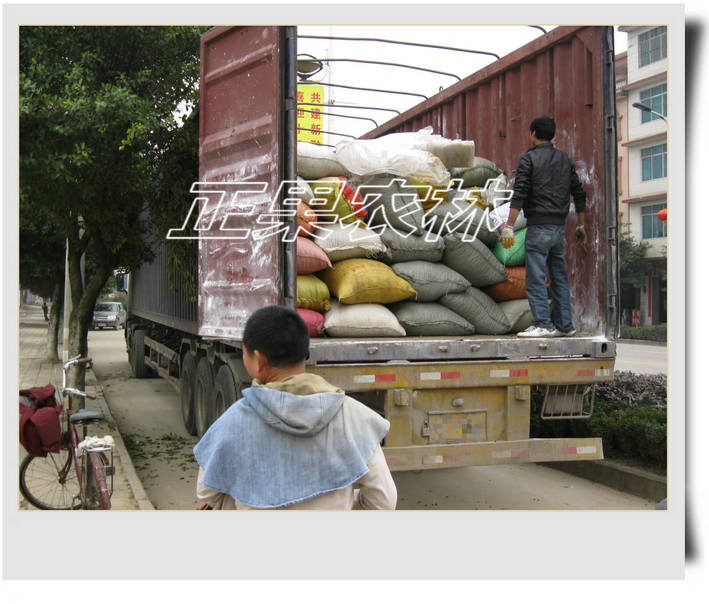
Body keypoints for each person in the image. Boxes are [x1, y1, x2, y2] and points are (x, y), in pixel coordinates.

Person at [193, 305, 397, 510]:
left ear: (259, 360)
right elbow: (384, 501)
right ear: (304, 353)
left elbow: (206, 492)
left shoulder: (234, 421)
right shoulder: (352, 416)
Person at [500, 116, 587, 338]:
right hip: (558, 229)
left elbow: (520, 194)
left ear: (533, 134)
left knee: (536, 278)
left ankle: (542, 324)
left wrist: (509, 225)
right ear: (552, 135)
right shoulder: (564, 159)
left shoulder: (528, 159)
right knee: (559, 277)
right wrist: (581, 224)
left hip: (538, 228)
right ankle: (565, 325)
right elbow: (579, 193)